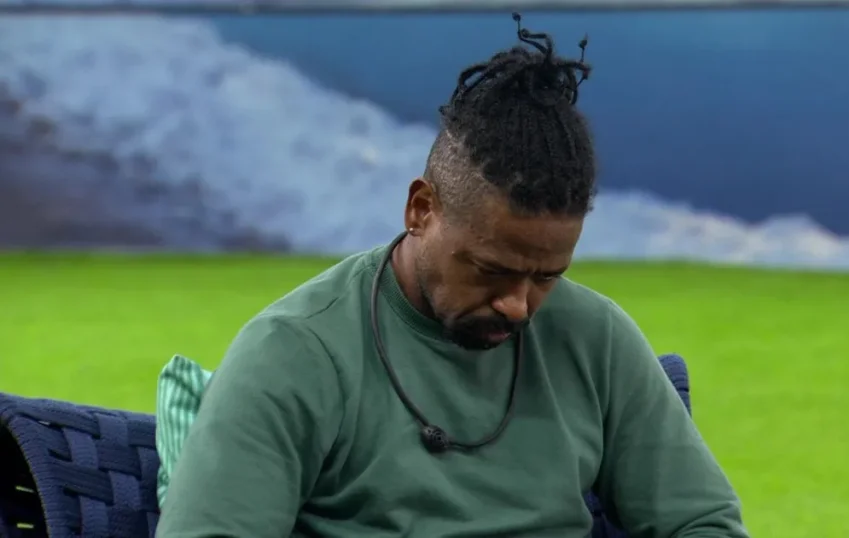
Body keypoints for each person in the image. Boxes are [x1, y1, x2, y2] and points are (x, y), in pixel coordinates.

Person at [156, 14, 747, 538]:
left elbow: (702, 522)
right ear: (421, 209)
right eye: (493, 270)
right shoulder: (294, 352)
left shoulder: (597, 340)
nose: (518, 304)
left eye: (547, 276)